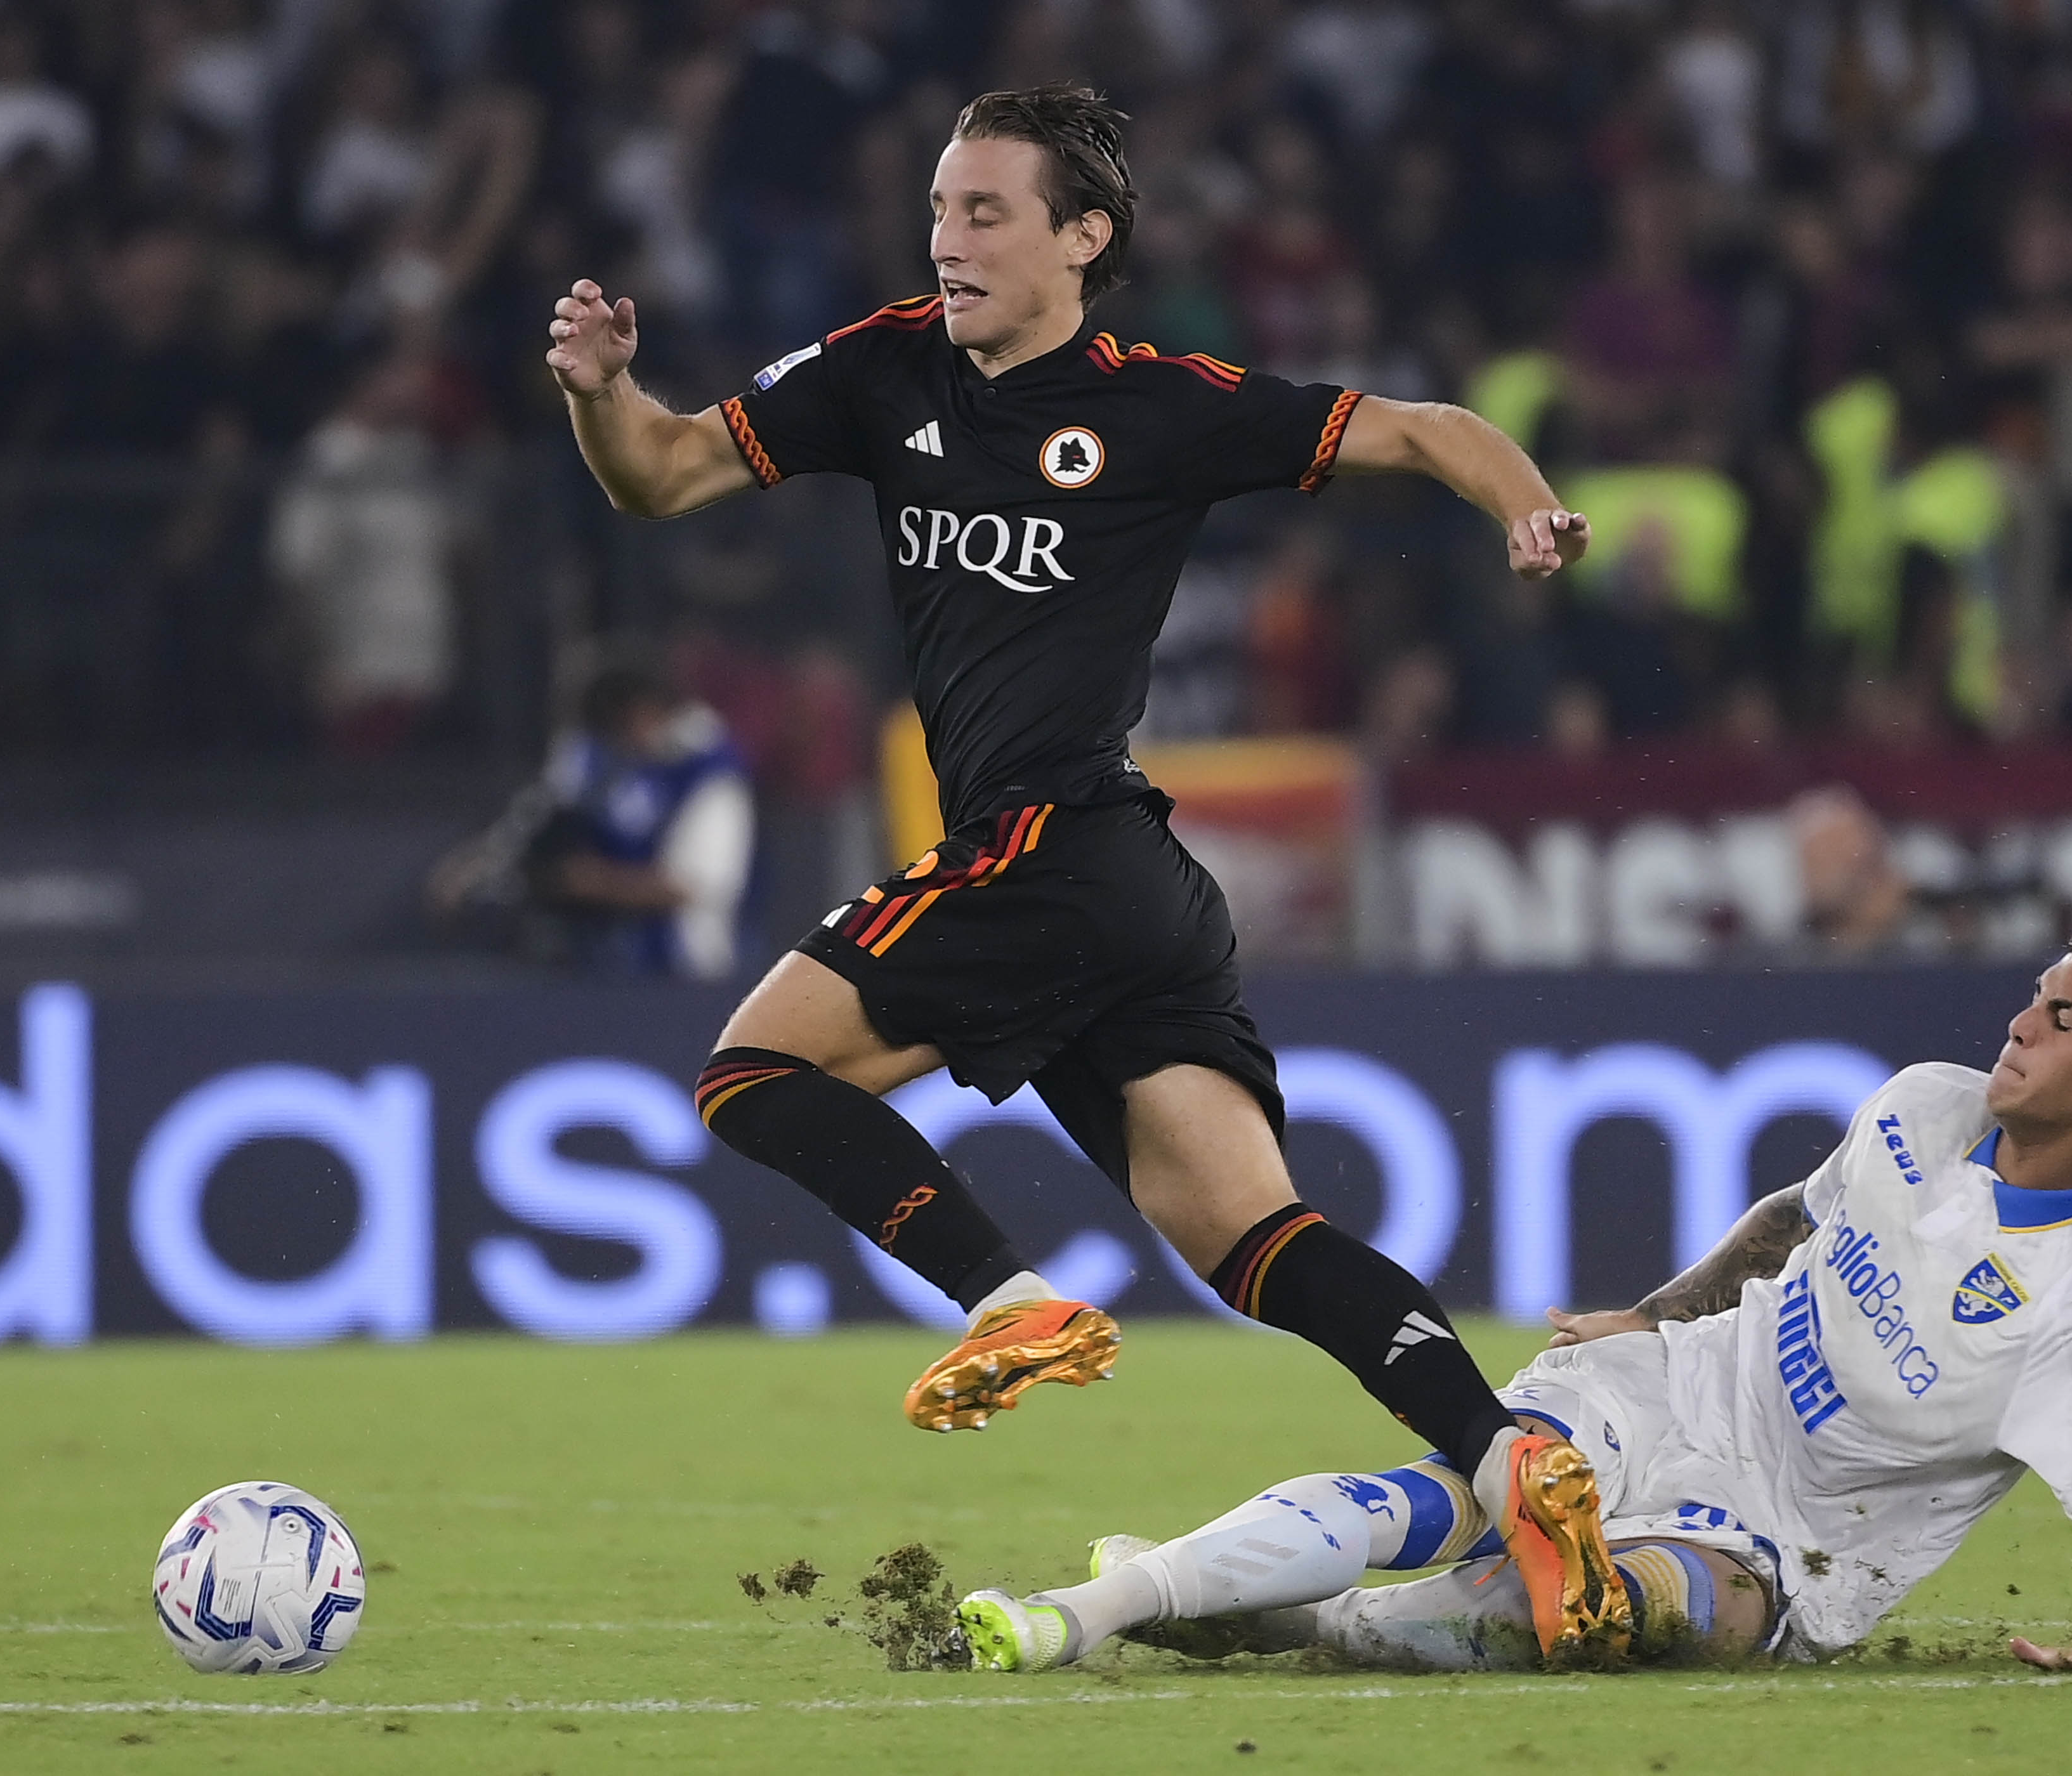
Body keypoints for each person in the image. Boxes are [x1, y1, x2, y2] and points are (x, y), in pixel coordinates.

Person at [542, 83, 1620, 1656]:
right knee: (1259, 1241)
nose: (948, 241)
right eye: (938, 209)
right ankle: (1511, 1457)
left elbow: (1416, 428)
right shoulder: (882, 367)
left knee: (749, 1073)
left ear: (1084, 237)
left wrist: (1524, 508)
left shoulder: (1162, 400)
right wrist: (599, 391)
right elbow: (664, 474)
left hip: (1047, 845)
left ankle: (1008, 1300)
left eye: (986, 213)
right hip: (1126, 885)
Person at [960, 926, 2072, 1676]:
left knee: (1615, 1614)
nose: (2019, 1023)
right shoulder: (1926, 1102)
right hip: (1676, 1386)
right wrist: (1659, 1312)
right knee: (1451, 1492)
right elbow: (1796, 1213)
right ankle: (1094, 1610)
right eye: (2035, 993)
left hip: (1789, 1540)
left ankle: (1284, 1609)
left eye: (2061, 1017)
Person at [426, 656, 752, 980]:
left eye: (620, 729)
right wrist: (481, 864)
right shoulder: (593, 755)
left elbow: (695, 888)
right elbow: (536, 819)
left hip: (682, 972)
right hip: (589, 966)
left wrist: (587, 882)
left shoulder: (710, 773)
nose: (616, 745)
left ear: (646, 711)